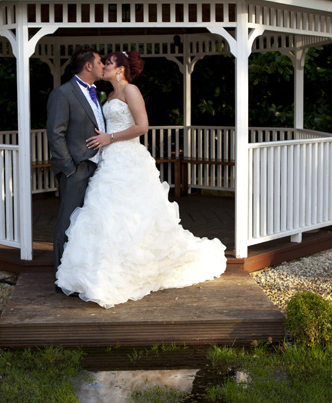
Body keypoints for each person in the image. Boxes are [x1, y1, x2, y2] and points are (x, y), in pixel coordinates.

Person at [55, 50, 227, 308]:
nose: (104, 67)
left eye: (108, 63)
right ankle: (106, 268)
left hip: (128, 159)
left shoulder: (130, 91)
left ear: (120, 69)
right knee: (106, 215)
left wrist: (109, 138)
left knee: (132, 215)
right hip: (109, 161)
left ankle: (136, 265)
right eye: (103, 63)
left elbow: (142, 126)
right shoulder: (110, 95)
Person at [46, 45, 105, 271]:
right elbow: (55, 133)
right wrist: (69, 168)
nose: (103, 65)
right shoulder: (62, 94)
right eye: (100, 62)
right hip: (77, 168)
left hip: (98, 167)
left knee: (87, 222)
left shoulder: (95, 93)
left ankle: (81, 270)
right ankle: (62, 274)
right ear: (88, 65)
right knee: (68, 222)